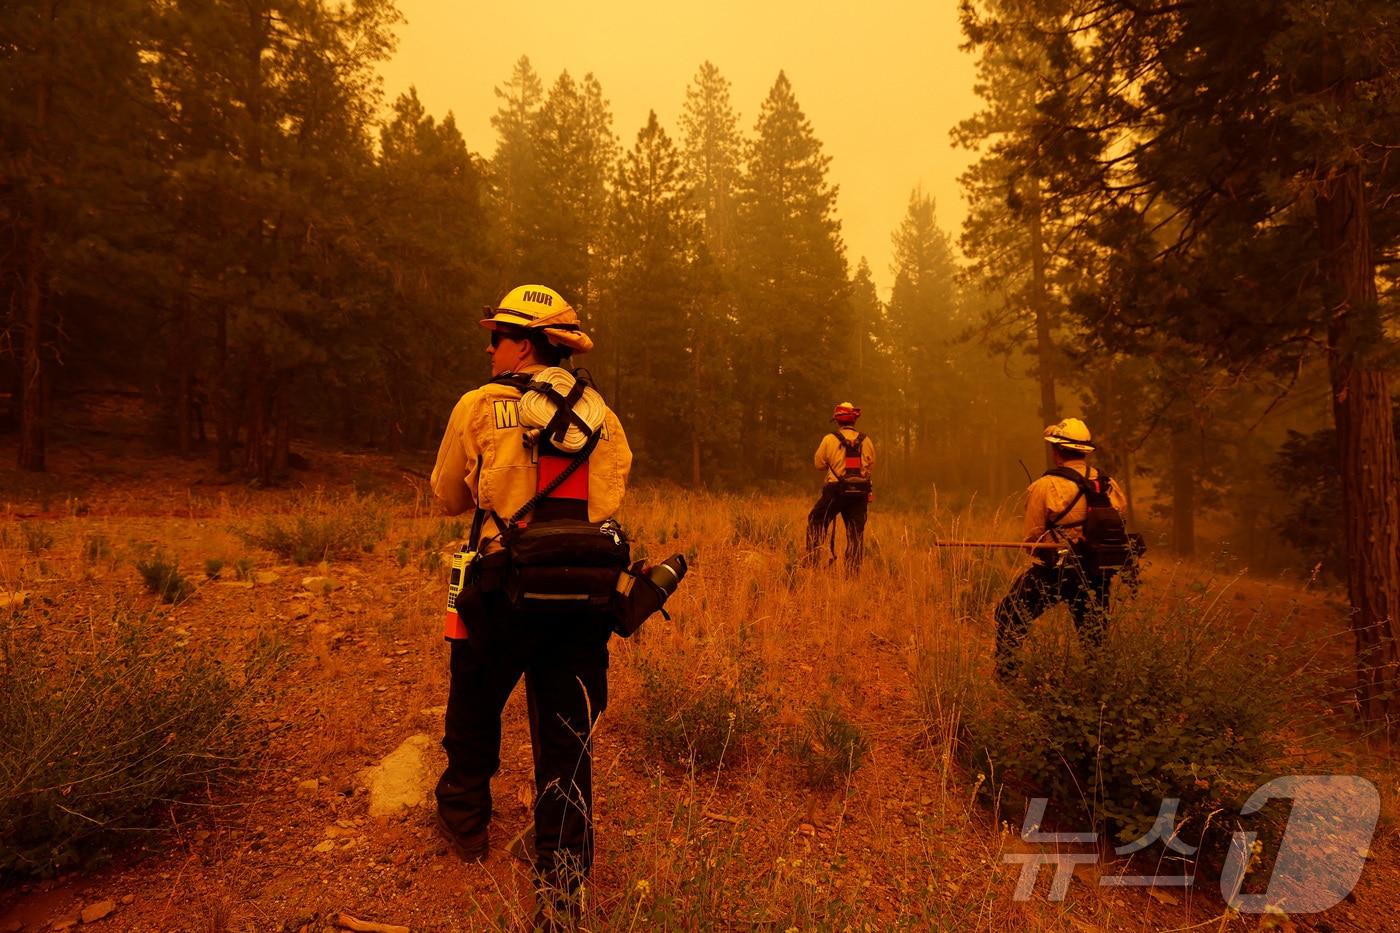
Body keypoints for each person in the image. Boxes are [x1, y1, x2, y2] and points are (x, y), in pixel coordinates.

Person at [429, 284, 631, 919]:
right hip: (586, 594)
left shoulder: (482, 405)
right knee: (568, 732)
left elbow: (448, 499)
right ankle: (563, 879)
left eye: (496, 338)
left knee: (474, 699)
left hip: (500, 589)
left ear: (522, 345)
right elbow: (610, 499)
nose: (489, 349)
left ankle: (466, 824)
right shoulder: (602, 413)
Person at [993, 417, 1128, 679]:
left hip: (1056, 570)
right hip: (1097, 572)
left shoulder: (1045, 486)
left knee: (1009, 613)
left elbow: (1032, 540)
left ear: (1057, 452)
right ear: (1083, 452)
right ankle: (1097, 688)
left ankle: (1006, 677)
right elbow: (1118, 523)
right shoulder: (1108, 484)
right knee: (1094, 638)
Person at [805, 401, 875, 570]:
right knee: (855, 534)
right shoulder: (866, 441)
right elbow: (871, 465)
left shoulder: (829, 439)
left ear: (837, 420)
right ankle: (852, 574)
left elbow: (819, 464)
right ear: (854, 420)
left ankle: (813, 564)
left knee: (817, 520)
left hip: (835, 490)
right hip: (859, 493)